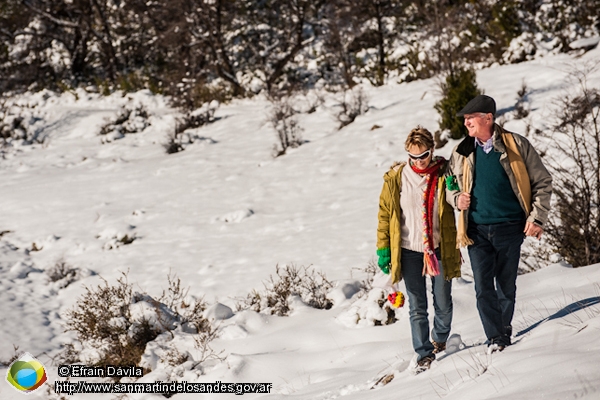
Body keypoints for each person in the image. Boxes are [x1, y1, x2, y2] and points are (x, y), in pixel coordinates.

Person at [446, 94, 552, 352]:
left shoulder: (516, 145)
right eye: (466, 118)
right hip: (476, 231)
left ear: (488, 118)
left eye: (471, 118)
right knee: (483, 289)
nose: (466, 122)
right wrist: (457, 198)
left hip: (510, 227)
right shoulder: (461, 151)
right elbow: (449, 183)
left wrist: (537, 218)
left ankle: (502, 330)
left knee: (505, 287)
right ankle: (496, 338)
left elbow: (542, 181)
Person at [376, 126, 461, 372]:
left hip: (439, 248)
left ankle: (440, 337)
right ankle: (424, 353)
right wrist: (384, 249)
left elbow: (458, 199)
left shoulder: (444, 173)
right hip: (408, 250)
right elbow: (385, 216)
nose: (418, 162)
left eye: (423, 156)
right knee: (417, 306)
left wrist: (454, 187)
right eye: (413, 157)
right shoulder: (396, 178)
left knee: (443, 303)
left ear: (431, 151)